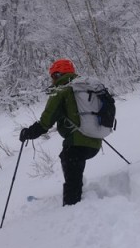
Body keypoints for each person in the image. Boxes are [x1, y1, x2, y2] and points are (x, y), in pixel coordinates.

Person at [19, 59, 101, 206]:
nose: (51, 79)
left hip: (76, 146)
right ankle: (76, 190)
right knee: (70, 161)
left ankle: (72, 206)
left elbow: (45, 123)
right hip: (96, 141)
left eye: (52, 76)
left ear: (57, 75)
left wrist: (27, 133)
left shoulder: (61, 91)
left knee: (69, 163)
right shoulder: (86, 87)